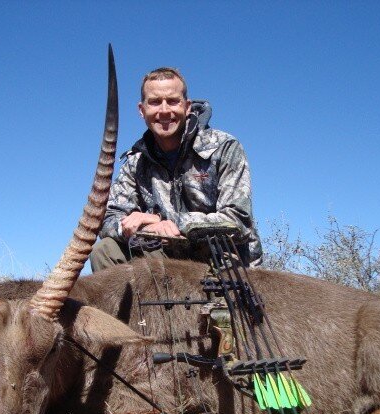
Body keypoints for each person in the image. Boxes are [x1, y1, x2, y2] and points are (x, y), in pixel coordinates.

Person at [90, 67, 262, 272]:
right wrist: (149, 226)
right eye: (154, 102)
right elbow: (109, 220)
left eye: (172, 101)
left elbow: (238, 221)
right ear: (141, 109)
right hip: (166, 258)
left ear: (187, 106)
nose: (164, 110)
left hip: (223, 262)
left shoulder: (224, 147)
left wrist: (167, 222)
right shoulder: (135, 163)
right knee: (105, 251)